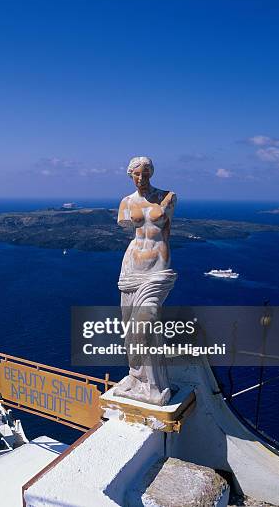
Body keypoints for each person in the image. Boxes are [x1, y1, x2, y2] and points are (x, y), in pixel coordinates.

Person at [113, 156, 176, 406]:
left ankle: (153, 386)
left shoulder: (168, 197)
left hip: (158, 268)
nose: (142, 178)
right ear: (130, 175)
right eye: (137, 174)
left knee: (144, 325)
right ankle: (136, 376)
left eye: (146, 173)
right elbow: (129, 226)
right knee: (129, 327)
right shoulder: (126, 203)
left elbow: (164, 230)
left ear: (152, 173)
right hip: (131, 267)